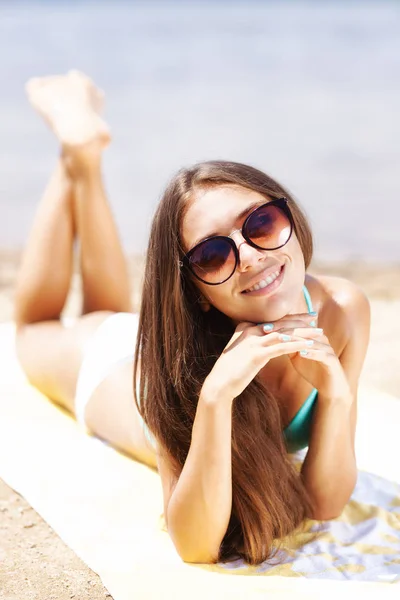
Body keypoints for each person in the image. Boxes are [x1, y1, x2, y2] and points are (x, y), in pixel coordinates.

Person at [14, 71, 370, 567]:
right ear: (197, 292)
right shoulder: (181, 364)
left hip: (135, 334)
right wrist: (215, 396)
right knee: (34, 327)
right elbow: (195, 545)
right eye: (212, 256)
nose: (248, 257)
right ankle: (72, 158)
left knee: (104, 304)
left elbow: (325, 502)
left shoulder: (342, 310)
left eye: (261, 223)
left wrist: (335, 394)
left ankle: (85, 155)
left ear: (289, 218)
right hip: (109, 365)